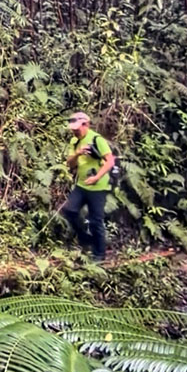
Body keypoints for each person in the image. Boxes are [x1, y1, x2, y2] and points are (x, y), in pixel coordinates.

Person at [61, 111, 115, 261]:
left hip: (98, 187)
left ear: (86, 125)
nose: (75, 132)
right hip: (82, 184)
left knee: (96, 220)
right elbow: (70, 164)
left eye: (77, 129)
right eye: (73, 129)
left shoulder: (97, 139)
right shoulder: (74, 141)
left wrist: (97, 177)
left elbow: (110, 161)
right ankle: (84, 238)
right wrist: (78, 153)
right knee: (69, 210)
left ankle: (99, 255)